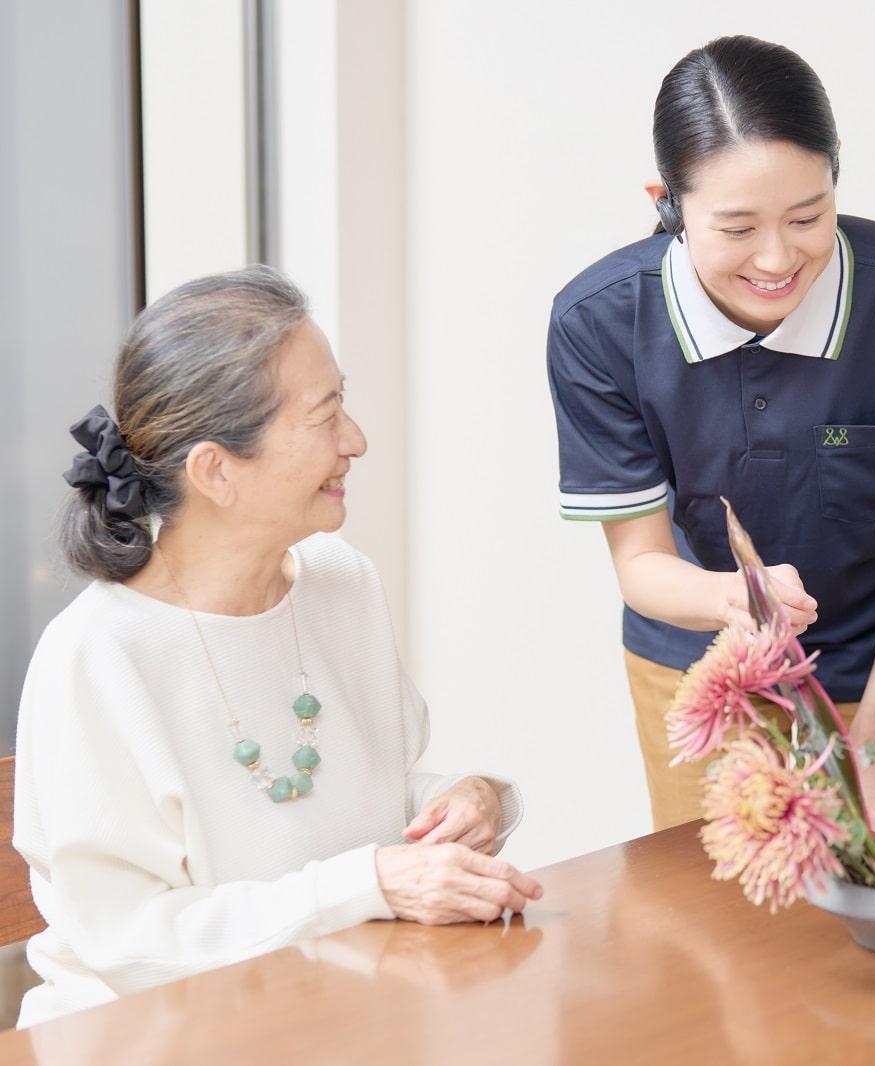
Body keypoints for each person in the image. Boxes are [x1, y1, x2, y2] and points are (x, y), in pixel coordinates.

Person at [13, 267, 542, 1026]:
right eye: (325, 416)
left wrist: (467, 800)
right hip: (150, 1039)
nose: (355, 440)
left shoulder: (339, 581)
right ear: (216, 471)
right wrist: (375, 883)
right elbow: (128, 945)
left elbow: (354, 810)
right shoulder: (98, 659)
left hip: (335, 1009)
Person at [547, 35, 875, 830]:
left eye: (808, 216)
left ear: (837, 177)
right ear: (666, 202)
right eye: (735, 229)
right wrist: (733, 597)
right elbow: (643, 563)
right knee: (714, 927)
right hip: (701, 671)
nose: (777, 257)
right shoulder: (599, 324)